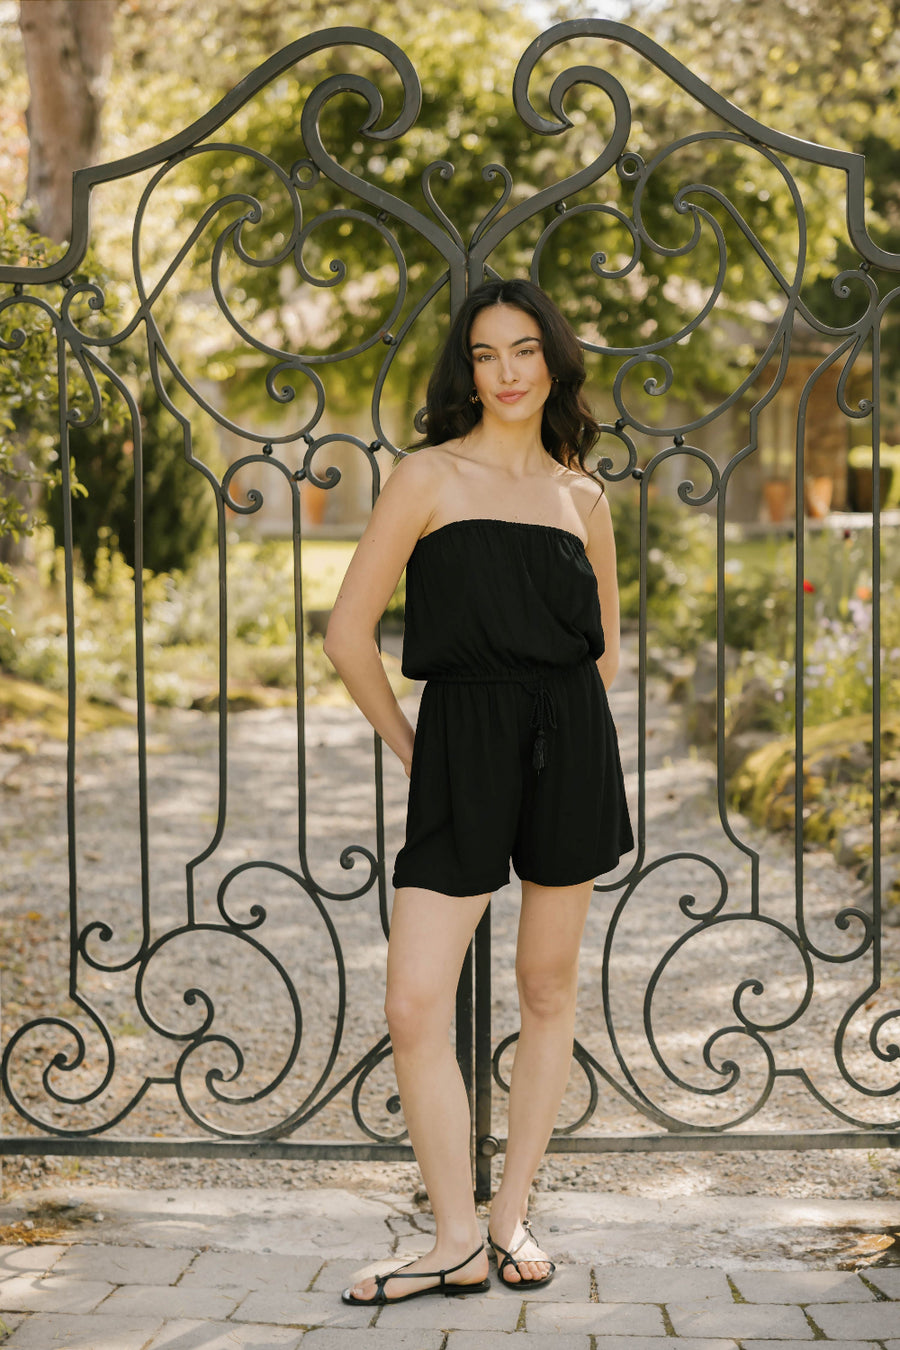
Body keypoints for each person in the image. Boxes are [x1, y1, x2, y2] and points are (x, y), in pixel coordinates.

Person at [324, 277, 633, 1305]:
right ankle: (452, 1236)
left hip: (566, 742)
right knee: (415, 1002)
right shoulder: (428, 476)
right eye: (487, 354)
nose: (507, 373)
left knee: (547, 989)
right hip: (460, 739)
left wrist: (561, 742)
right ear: (468, 369)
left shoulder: (583, 496)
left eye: (525, 351)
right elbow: (346, 632)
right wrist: (420, 748)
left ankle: (510, 1217)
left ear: (554, 362)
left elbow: (606, 657)